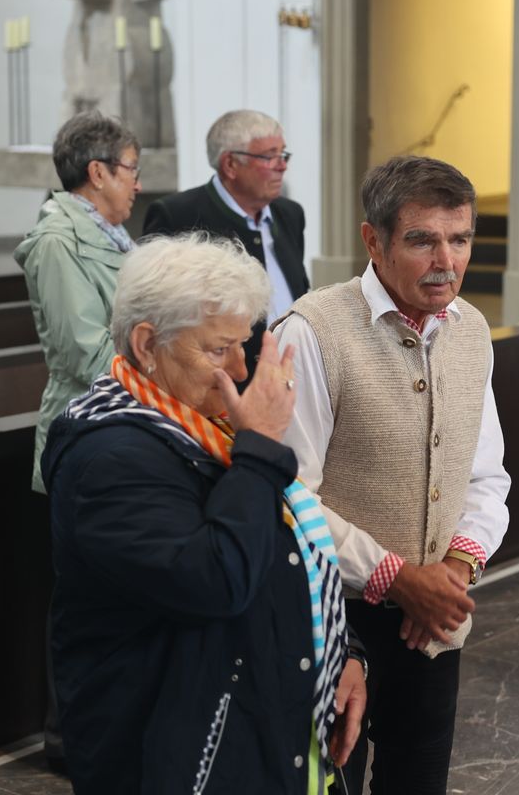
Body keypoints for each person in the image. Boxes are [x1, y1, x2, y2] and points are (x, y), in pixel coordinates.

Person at [42, 234, 367, 794]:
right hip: (179, 756)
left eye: (244, 345)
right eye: (218, 350)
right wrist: (261, 446)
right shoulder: (110, 458)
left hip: (259, 731)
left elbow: (287, 553)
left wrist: (345, 653)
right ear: (147, 344)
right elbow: (217, 580)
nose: (240, 367)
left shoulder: (208, 431)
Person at [274, 155, 510, 794]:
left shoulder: (472, 330)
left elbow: (485, 476)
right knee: (327, 785)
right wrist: (398, 578)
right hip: (332, 618)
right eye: (422, 240)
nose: (447, 260)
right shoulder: (313, 329)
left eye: (460, 239)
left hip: (434, 620)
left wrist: (455, 571)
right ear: (372, 241)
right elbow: (289, 492)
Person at [15, 110, 142, 494]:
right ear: (99, 173)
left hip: (126, 421)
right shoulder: (58, 242)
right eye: (132, 169)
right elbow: (86, 354)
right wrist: (168, 375)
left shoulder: (113, 236)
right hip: (90, 429)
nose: (138, 184)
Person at [144, 109, 308, 378]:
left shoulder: (290, 214)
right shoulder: (177, 215)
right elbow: (159, 314)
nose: (282, 165)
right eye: (270, 156)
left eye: (283, 154)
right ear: (230, 165)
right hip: (224, 385)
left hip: (293, 376)